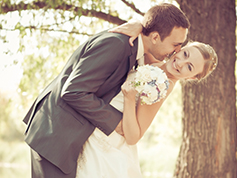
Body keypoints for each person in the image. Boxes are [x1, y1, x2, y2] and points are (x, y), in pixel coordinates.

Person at [22, 3, 190, 178]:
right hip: (55, 135)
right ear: (155, 37)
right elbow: (74, 91)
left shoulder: (134, 47)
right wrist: (117, 122)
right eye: (175, 44)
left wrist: (139, 24)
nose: (177, 51)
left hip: (65, 138)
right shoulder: (117, 45)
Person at [76, 41, 218, 178]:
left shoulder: (161, 84)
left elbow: (133, 137)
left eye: (189, 67)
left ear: (192, 77)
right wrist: (136, 26)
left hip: (107, 141)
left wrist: (129, 99)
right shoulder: (158, 63)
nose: (180, 63)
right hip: (96, 123)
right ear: (180, 48)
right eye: (185, 54)